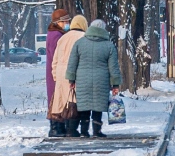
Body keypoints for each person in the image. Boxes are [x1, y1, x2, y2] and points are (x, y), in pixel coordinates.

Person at [66, 19, 121, 138]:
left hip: (82, 80)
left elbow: (72, 63)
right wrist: (115, 84)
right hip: (101, 80)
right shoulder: (109, 45)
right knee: (98, 106)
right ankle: (97, 131)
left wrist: (71, 79)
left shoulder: (79, 43)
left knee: (84, 106)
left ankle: (84, 131)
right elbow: (113, 67)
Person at [50, 15, 87, 136]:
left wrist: (55, 74)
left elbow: (55, 59)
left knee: (63, 101)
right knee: (74, 100)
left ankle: (61, 128)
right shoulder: (83, 37)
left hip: (60, 72)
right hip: (74, 71)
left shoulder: (63, 37)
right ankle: (72, 129)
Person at [44, 9, 71, 137]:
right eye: (65, 21)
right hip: (56, 73)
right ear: (58, 22)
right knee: (57, 99)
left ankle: (58, 127)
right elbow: (58, 56)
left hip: (54, 72)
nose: (67, 23)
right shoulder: (56, 36)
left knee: (56, 98)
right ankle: (56, 128)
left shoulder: (54, 34)